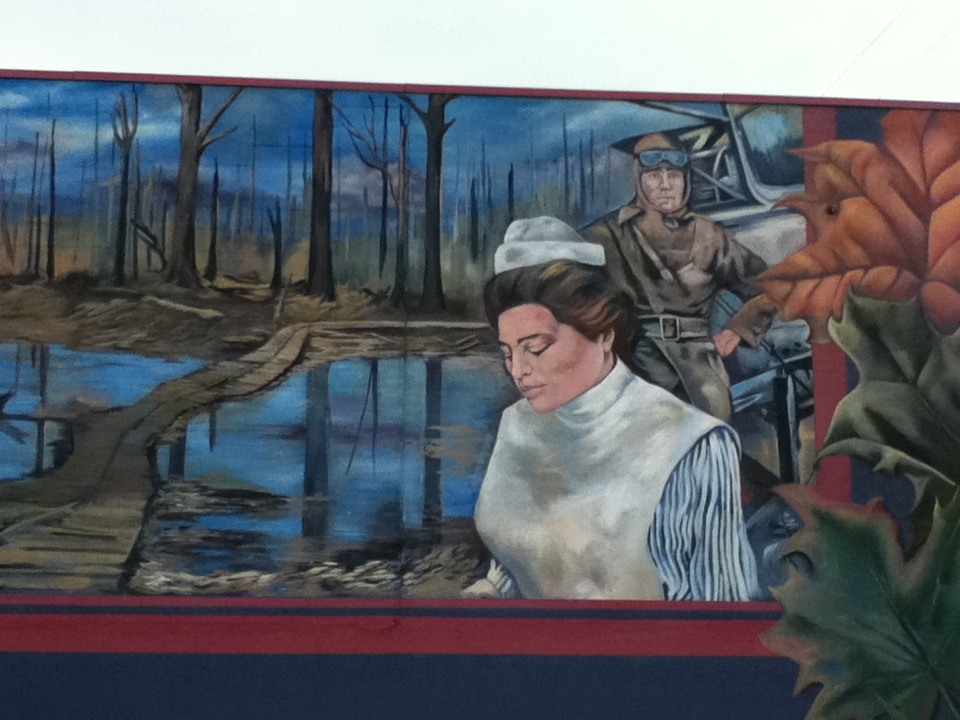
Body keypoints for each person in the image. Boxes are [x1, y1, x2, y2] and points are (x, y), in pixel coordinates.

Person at [466, 216, 759, 601]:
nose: (517, 370)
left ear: (604, 335)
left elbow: (719, 604)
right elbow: (520, 552)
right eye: (508, 352)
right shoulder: (515, 423)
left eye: (536, 348)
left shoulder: (691, 443)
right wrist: (493, 589)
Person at [581, 132, 778, 421]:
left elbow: (772, 285)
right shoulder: (604, 235)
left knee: (710, 431)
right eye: (654, 176)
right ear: (638, 179)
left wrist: (738, 330)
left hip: (699, 366)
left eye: (674, 175)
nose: (665, 185)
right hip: (632, 364)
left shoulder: (709, 235)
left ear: (686, 179)